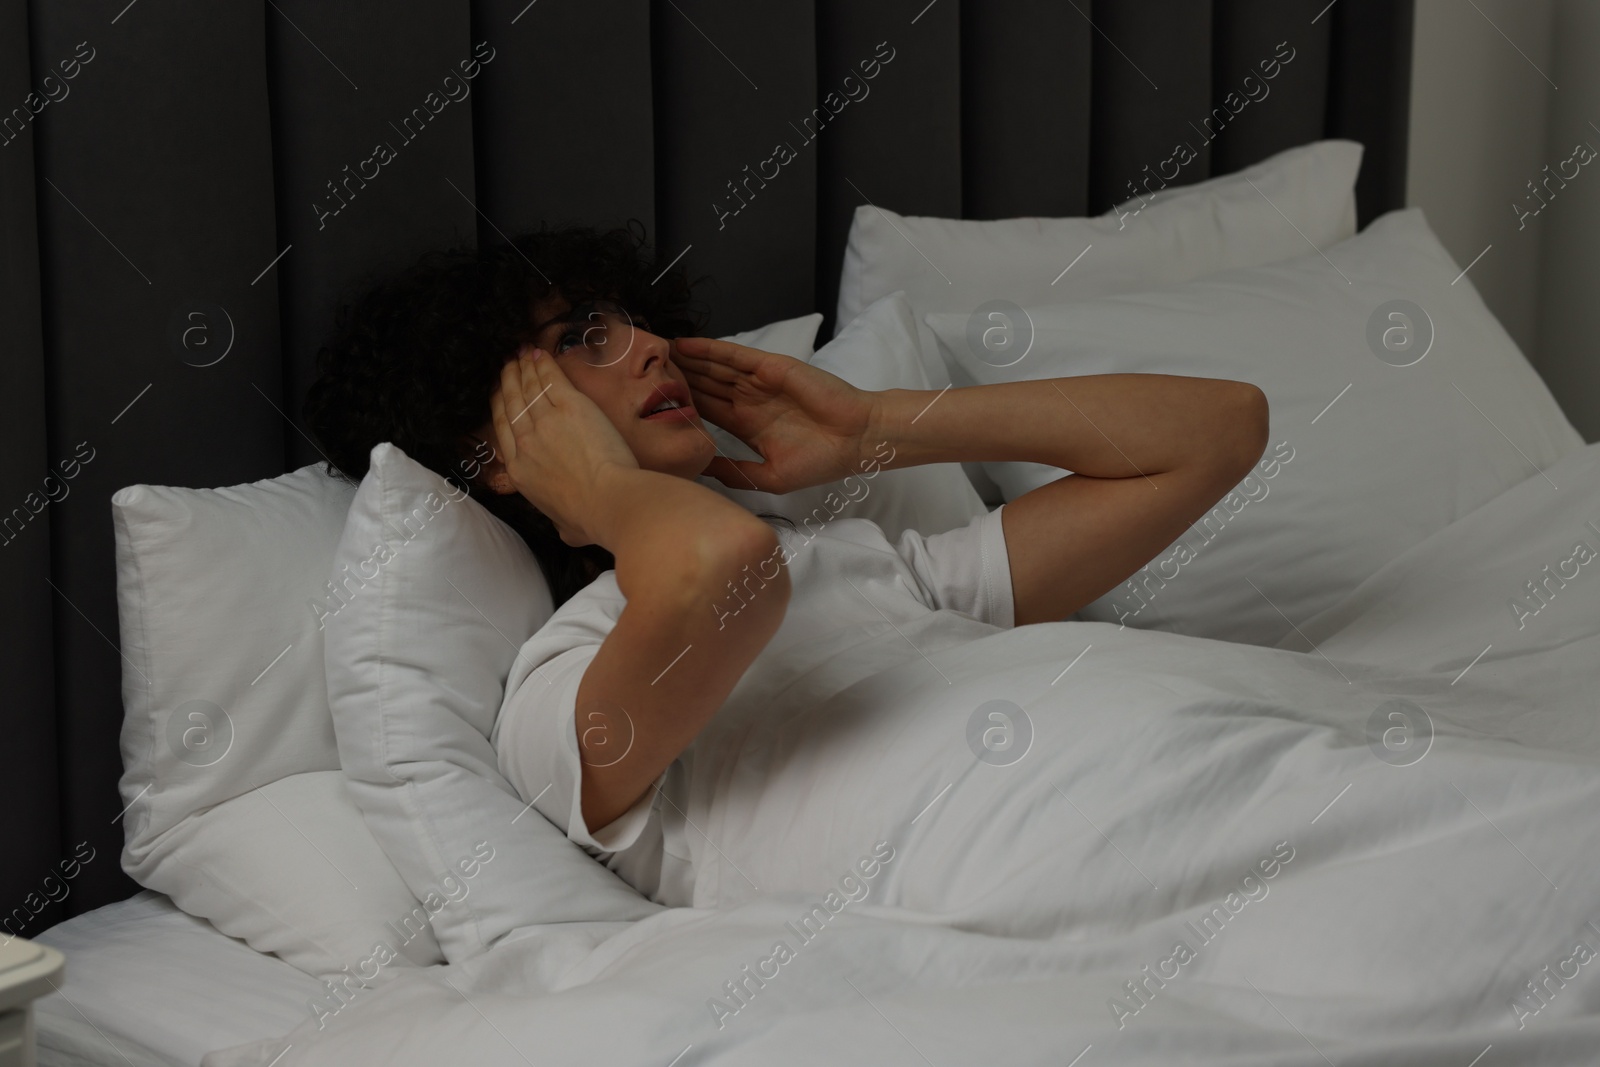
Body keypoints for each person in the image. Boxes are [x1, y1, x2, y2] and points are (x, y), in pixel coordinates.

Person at [304, 222, 1269, 907]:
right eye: (584, 337)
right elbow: (722, 567)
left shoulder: (858, 564)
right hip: (1081, 848)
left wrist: (876, 427)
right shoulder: (553, 691)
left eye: (633, 321)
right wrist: (591, 491)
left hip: (1206, 761)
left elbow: (1221, 431)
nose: (649, 347)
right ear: (502, 443)